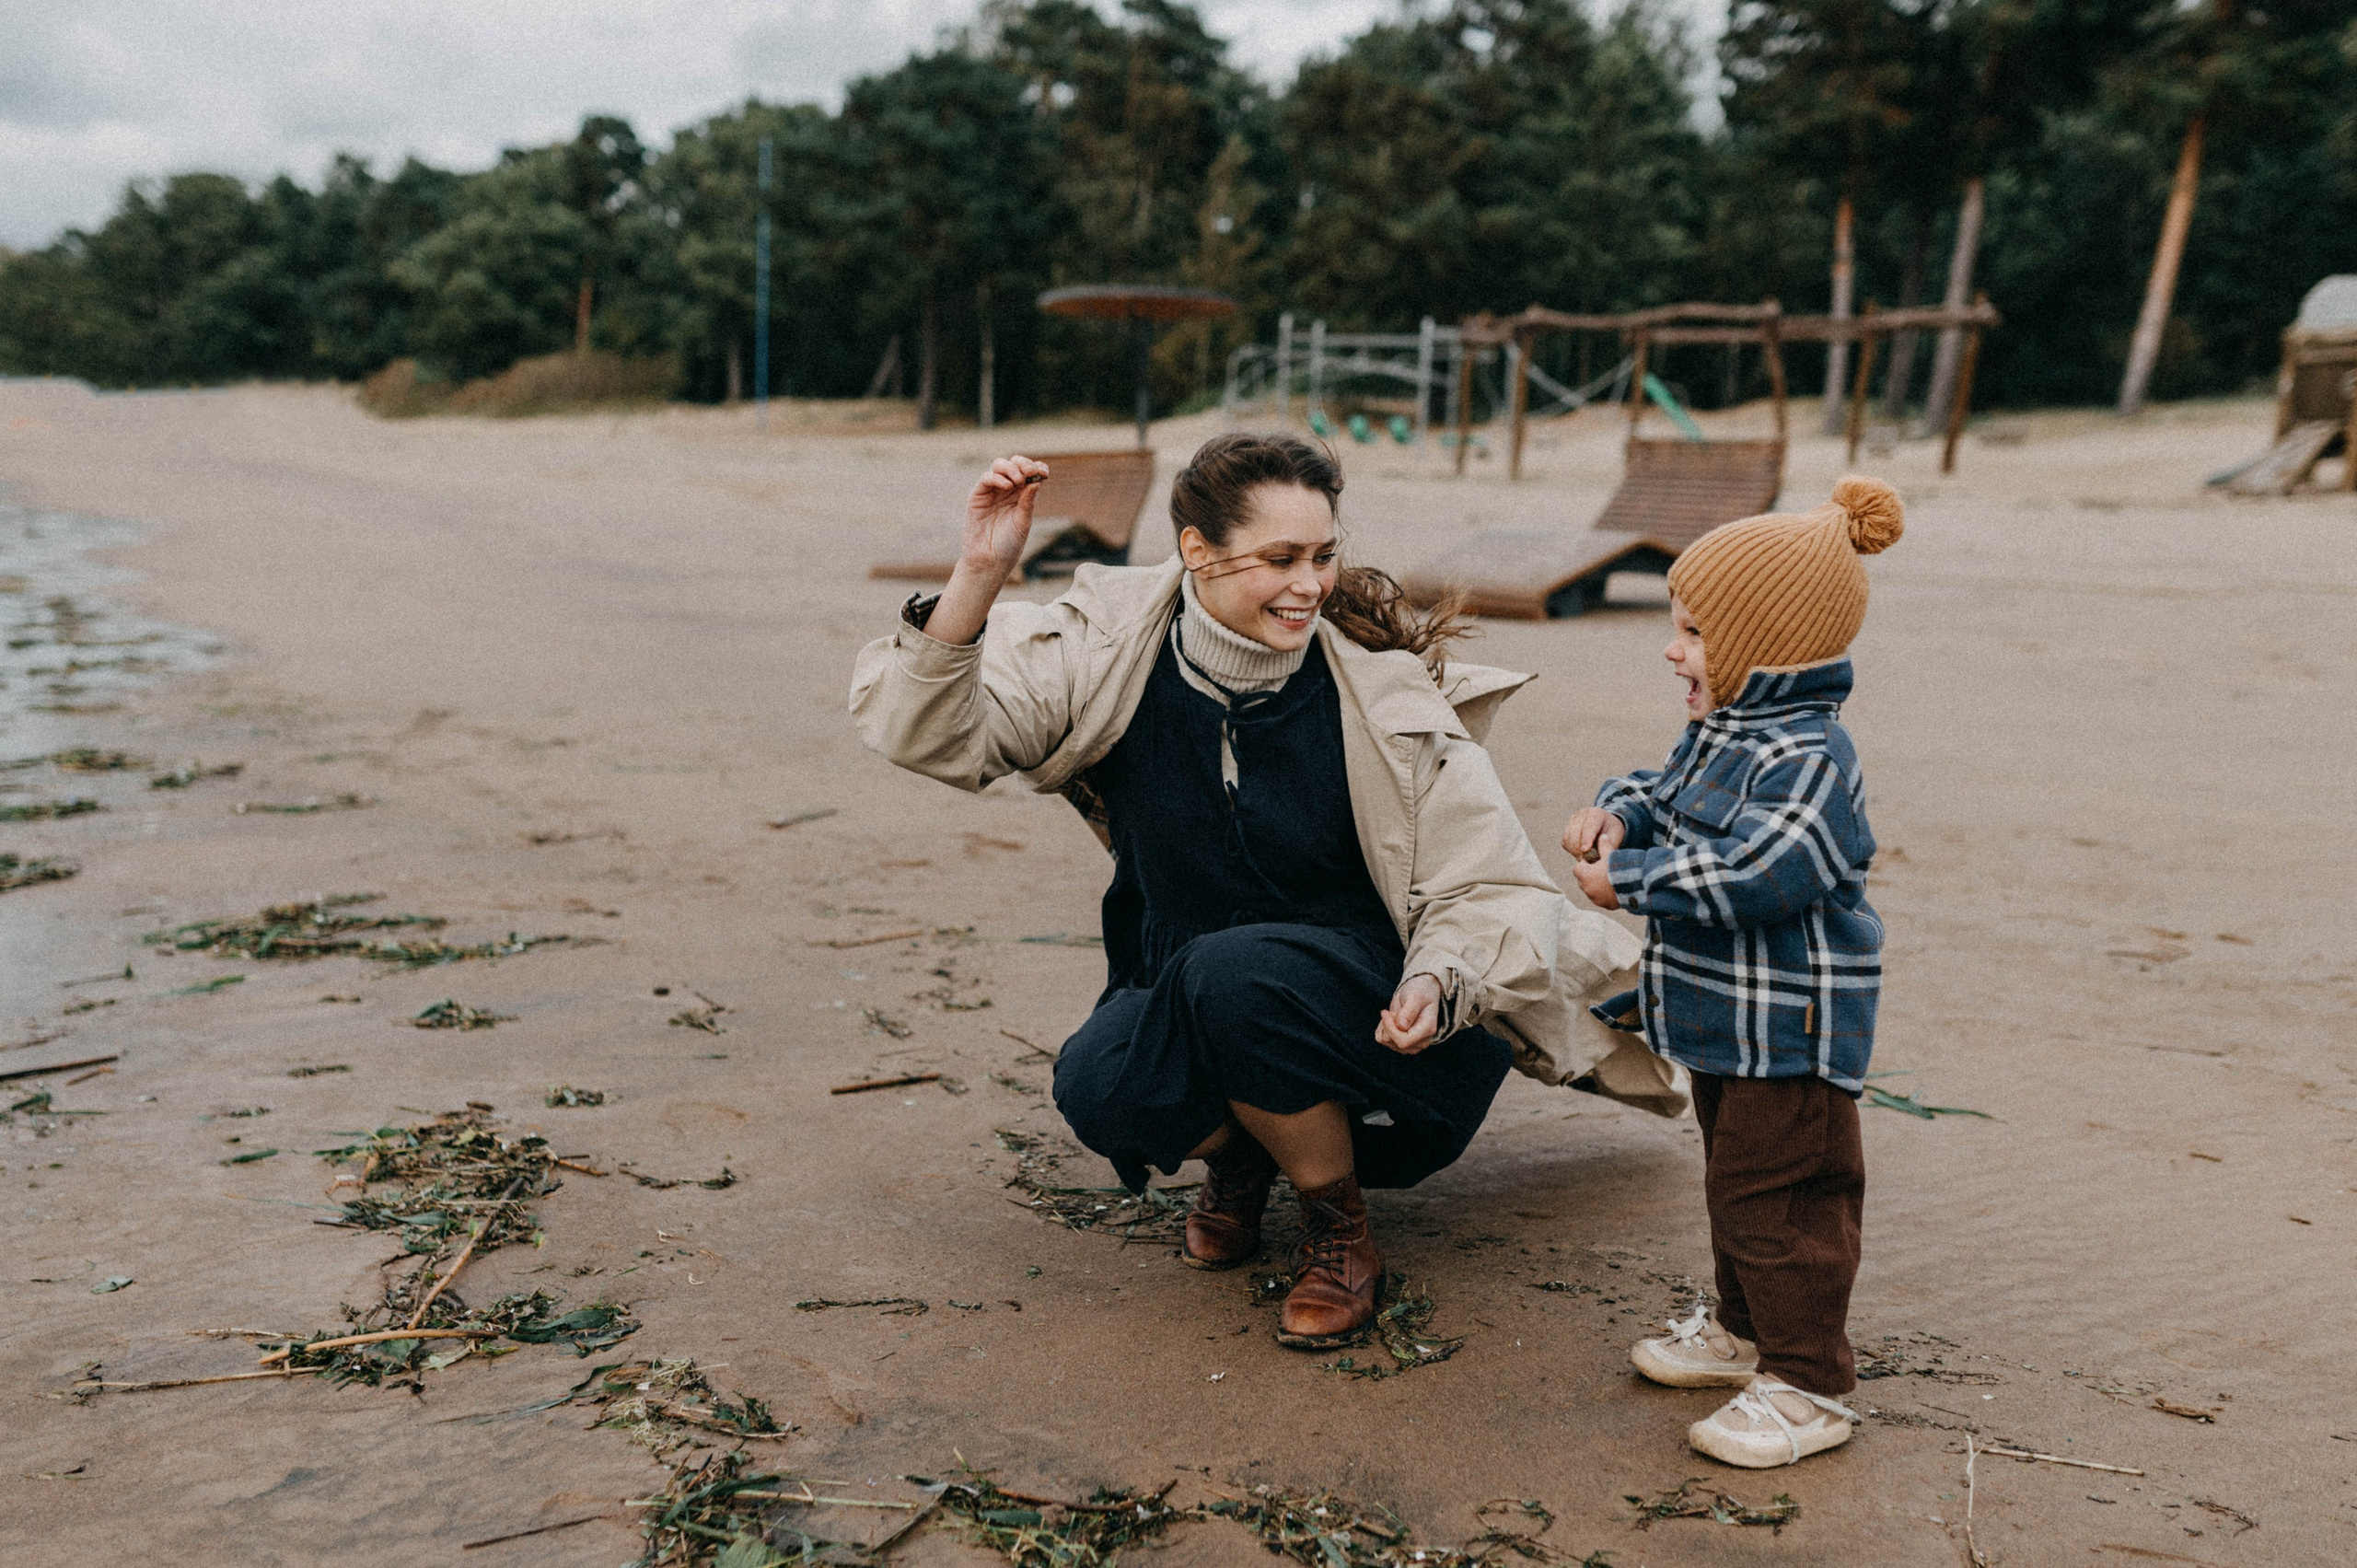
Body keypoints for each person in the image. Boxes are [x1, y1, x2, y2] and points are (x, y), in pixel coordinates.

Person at [852, 432, 1678, 1348]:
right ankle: (1245, 1155)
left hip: (1391, 1018)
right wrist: (979, 571)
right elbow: (928, 733)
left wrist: (1440, 980)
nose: (1309, 584)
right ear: (1196, 552)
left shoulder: (1384, 698)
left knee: (1232, 972)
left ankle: (1339, 1232)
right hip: (1201, 991)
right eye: (1279, 559)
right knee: (1098, 1085)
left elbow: (1484, 880)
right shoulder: (1109, 661)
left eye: (1323, 556)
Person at [1561, 475, 1900, 1469]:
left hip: (1788, 1030)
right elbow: (1663, 790)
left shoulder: (1810, 757)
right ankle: (1745, 1330)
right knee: (1736, 1185)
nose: (1674, 649)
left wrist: (1628, 877)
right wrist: (1618, 811)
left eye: (1695, 632)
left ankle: (1809, 1381)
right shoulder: (1726, 729)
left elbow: (1758, 869)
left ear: (1766, 648)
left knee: (1784, 1200)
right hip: (1723, 1021)